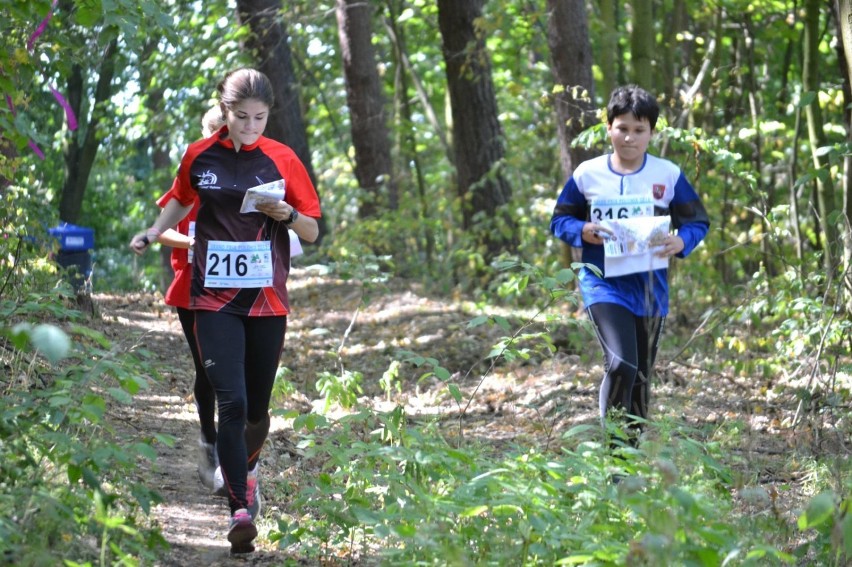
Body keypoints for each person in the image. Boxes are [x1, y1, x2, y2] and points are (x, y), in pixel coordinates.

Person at [130, 68, 321, 554]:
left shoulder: (283, 159)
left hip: (266, 299)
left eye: (259, 118)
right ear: (225, 110)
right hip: (211, 296)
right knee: (230, 403)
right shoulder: (200, 155)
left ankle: (248, 468)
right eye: (241, 117)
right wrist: (154, 232)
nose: (250, 126)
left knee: (257, 408)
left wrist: (290, 217)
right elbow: (179, 199)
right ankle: (239, 509)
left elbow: (314, 231)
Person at [550, 85, 709, 448]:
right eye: (622, 128)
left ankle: (630, 464)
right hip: (603, 284)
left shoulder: (667, 174)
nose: (630, 137)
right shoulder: (587, 174)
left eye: (639, 130)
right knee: (621, 363)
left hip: (651, 287)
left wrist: (682, 241)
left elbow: (697, 222)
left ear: (652, 132)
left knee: (640, 377)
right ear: (609, 128)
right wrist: (582, 230)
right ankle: (615, 462)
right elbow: (559, 220)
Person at [153, 105, 226, 492]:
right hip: (192, 286)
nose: (221, 143)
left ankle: (237, 458)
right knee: (208, 370)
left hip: (235, 288)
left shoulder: (244, 178)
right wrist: (194, 240)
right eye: (214, 136)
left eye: (225, 136)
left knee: (236, 371)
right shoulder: (192, 177)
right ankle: (209, 441)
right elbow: (163, 231)